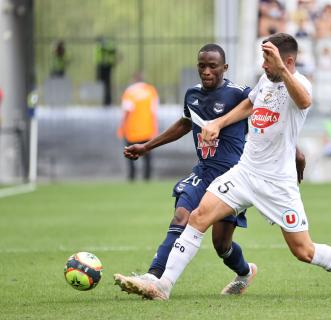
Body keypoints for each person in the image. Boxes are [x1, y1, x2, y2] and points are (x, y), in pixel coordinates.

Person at [132, 33, 331, 301]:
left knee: (304, 251)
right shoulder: (265, 81)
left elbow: (304, 101)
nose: (264, 65)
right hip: (245, 172)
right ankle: (164, 285)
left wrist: (281, 69)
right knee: (198, 217)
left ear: (287, 61)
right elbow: (249, 103)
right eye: (264, 59)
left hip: (277, 182)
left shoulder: (300, 83)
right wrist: (218, 123)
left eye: (269, 60)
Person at [113, 44, 305, 297]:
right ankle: (153, 277)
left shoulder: (239, 94)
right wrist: (147, 147)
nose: (206, 71)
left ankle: (245, 272)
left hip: (234, 177)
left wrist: (296, 152)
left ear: (224, 68)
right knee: (181, 216)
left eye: (212, 66)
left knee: (221, 245)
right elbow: (184, 124)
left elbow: (268, 121)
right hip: (203, 172)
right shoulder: (192, 95)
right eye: (201, 66)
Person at [117, 78, 159, 181]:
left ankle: (132, 177)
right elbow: (154, 112)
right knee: (147, 156)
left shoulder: (129, 92)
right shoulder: (151, 91)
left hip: (132, 131)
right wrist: (155, 129)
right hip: (147, 130)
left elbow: (127, 111)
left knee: (130, 155)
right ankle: (147, 177)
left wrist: (122, 127)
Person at [95, 37, 118, 106]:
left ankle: (108, 101)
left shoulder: (106, 46)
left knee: (107, 84)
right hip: (102, 66)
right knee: (103, 84)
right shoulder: (100, 47)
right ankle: (105, 101)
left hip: (107, 67)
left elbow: (112, 51)